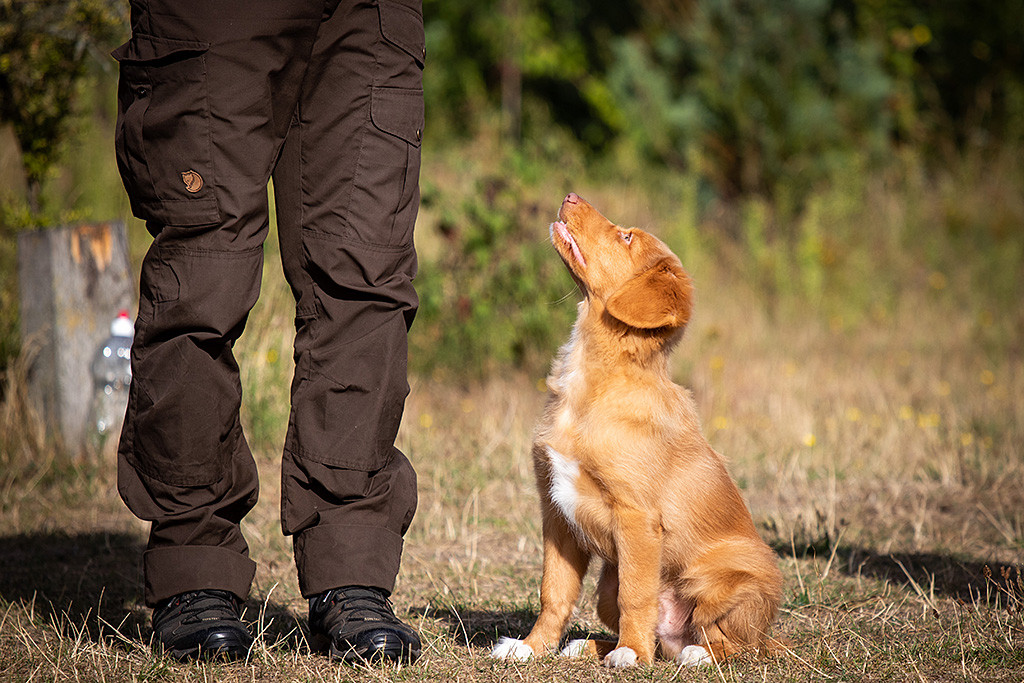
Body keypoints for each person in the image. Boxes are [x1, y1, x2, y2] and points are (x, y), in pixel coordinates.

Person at [111, 0, 424, 664]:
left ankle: (350, 566)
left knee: (366, 275)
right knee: (204, 276)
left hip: (367, 12)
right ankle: (194, 565)